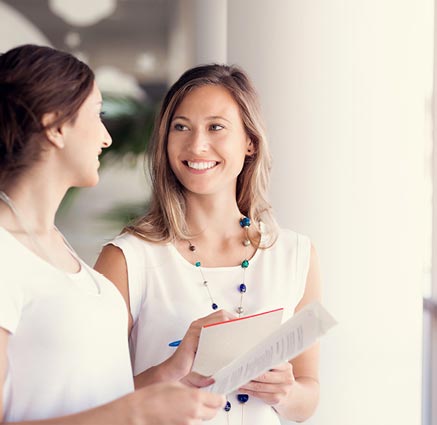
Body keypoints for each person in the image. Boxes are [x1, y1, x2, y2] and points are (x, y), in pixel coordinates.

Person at [0, 44, 225, 425]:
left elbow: (96, 396)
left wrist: (174, 369)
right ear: (55, 127)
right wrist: (134, 414)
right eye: (97, 114)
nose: (106, 137)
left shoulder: (53, 244)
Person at [95, 63, 322, 424]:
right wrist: (172, 370)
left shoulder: (295, 255)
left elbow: (307, 400)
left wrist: (287, 391)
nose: (197, 144)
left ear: (250, 141)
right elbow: (96, 403)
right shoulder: (126, 259)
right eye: (181, 127)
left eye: (216, 127)